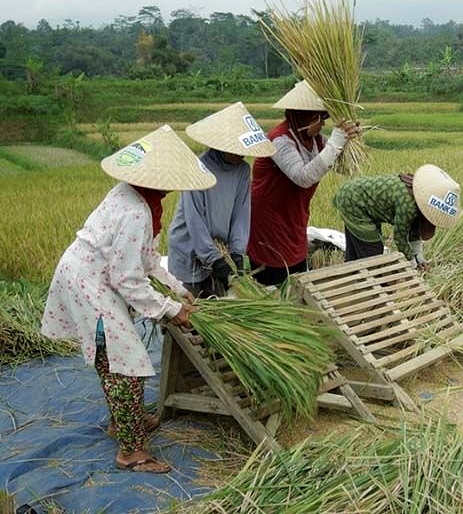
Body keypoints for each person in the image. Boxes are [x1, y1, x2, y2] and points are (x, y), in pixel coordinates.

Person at [41, 125, 215, 474]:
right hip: (91, 285)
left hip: (94, 278)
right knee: (125, 366)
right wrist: (170, 310)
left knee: (116, 361)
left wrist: (178, 288)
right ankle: (131, 451)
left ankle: (123, 423)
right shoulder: (136, 211)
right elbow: (127, 278)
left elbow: (146, 258)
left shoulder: (137, 196)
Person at [247, 80, 360, 286]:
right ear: (302, 115)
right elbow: (303, 177)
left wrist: (350, 142)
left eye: (324, 117)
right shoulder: (279, 140)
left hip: (295, 215)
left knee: (297, 269)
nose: (322, 123)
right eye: (318, 117)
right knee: (275, 275)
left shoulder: (316, 140)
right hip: (269, 219)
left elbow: (346, 168)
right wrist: (336, 142)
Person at [167, 102, 275, 297]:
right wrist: (213, 259)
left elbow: (241, 214)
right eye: (235, 148)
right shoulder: (198, 168)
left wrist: (236, 252)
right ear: (221, 144)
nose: (240, 154)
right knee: (189, 307)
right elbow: (195, 220)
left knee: (219, 305)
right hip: (189, 248)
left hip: (220, 249)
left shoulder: (242, 170)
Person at [333, 164, 461, 270]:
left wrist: (419, 255)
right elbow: (400, 237)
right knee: (373, 251)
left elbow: (413, 230)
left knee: (356, 251)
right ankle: (372, 290)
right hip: (352, 201)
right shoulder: (408, 205)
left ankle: (352, 279)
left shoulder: (417, 195)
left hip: (360, 201)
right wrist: (412, 262)